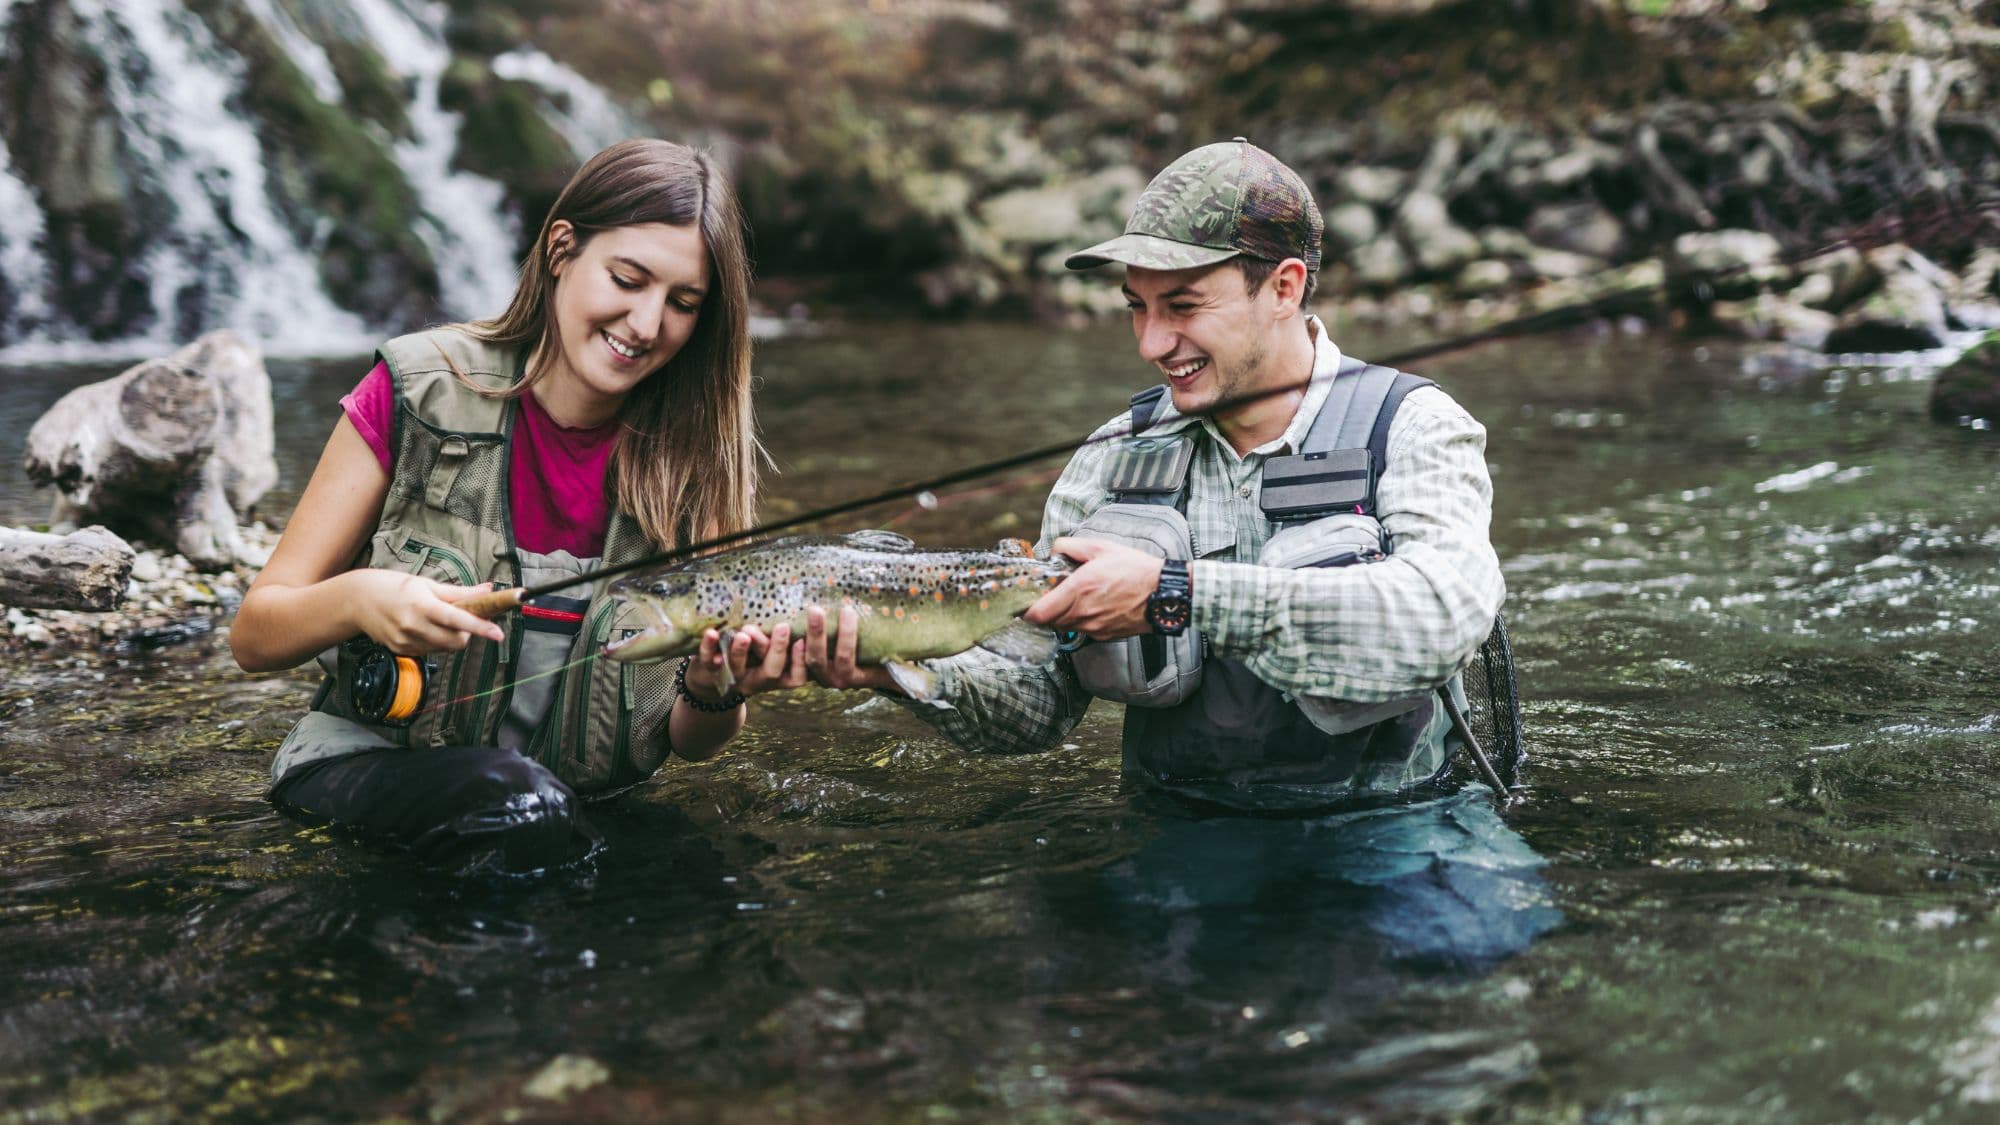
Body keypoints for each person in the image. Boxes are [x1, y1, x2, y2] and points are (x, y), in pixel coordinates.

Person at [801, 139, 1553, 964]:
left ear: (1284, 287)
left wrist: (1177, 594)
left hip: (1406, 825)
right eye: (1136, 306)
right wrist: (899, 668)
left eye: (1184, 306)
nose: (1153, 343)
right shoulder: (1110, 459)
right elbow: (1036, 701)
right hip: (1185, 833)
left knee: (1462, 973)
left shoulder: (1413, 427)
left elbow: (1442, 613)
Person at [231, 139, 800, 875]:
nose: (647, 322)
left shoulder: (701, 468)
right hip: (362, 779)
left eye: (683, 303)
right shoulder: (414, 390)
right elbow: (254, 633)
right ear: (562, 248)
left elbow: (692, 741)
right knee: (526, 813)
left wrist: (718, 691)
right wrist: (360, 598)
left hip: (571, 817)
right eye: (628, 279)